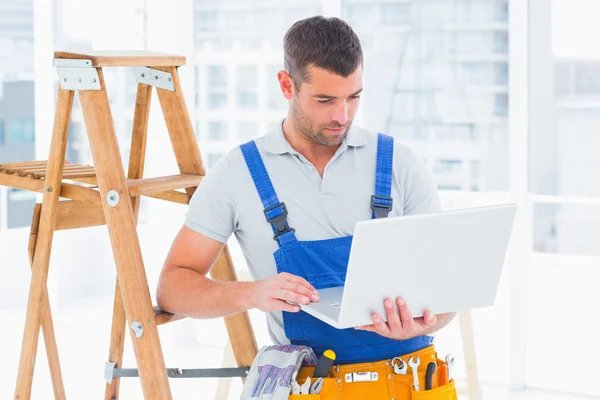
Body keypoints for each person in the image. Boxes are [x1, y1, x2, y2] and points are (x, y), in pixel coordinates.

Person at [157, 15, 457, 397]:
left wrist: (422, 324)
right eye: (325, 100)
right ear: (287, 85)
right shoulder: (240, 172)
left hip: (413, 383)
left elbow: (448, 296)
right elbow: (172, 288)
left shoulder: (400, 163)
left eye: (354, 97)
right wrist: (252, 294)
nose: (342, 116)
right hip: (313, 386)